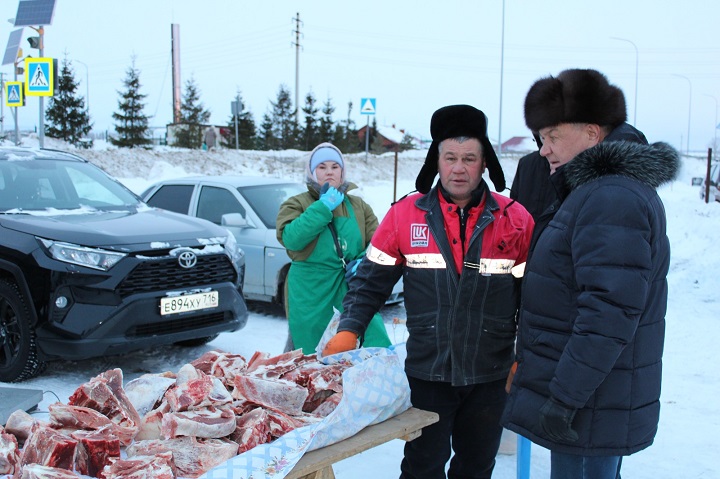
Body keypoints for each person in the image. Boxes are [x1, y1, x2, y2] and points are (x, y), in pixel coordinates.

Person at [322, 105, 535, 479]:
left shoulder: (515, 219)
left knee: (477, 467)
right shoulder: (405, 214)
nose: (458, 168)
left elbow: (533, 299)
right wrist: (349, 329)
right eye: (450, 157)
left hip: (491, 375)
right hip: (427, 372)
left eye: (469, 158)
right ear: (436, 161)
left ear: (484, 162)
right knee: (422, 466)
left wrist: (528, 355)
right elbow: (371, 281)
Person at [501, 68, 680, 479]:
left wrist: (563, 400)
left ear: (593, 133)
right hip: (594, 397)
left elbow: (608, 313)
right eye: (540, 139)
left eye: (552, 136)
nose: (543, 150)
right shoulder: (602, 189)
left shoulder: (611, 196)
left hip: (587, 404)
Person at [276, 142, 391, 354]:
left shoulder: (358, 206)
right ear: (312, 172)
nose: (329, 171)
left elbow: (379, 242)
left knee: (372, 343)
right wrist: (322, 207)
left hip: (351, 287)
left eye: (334, 166)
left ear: (342, 171)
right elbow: (291, 239)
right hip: (311, 292)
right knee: (311, 356)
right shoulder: (297, 203)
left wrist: (364, 263)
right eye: (322, 167)